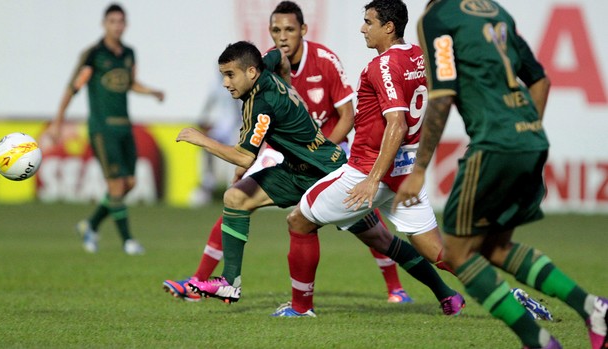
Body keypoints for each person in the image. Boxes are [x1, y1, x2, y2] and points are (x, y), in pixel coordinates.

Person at [163, 0, 412, 304]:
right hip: (289, 153)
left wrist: (318, 148)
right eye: (276, 30)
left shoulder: (324, 61)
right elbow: (275, 68)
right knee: (237, 197)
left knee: (374, 233)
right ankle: (203, 282)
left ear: (303, 30)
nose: (282, 36)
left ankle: (402, 287)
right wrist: (289, 87)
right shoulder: (264, 63)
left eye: (289, 30)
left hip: (329, 154)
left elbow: (348, 117)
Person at [394, 1, 607, 348]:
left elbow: (443, 94)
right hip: (532, 138)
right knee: (496, 248)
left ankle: (537, 340)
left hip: (495, 143)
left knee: (459, 254)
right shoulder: (495, 11)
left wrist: (419, 170)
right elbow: (540, 79)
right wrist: (524, 131)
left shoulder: (438, 18)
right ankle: (593, 308)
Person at [270, 0, 468, 318]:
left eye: (369, 22)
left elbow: (397, 122)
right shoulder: (419, 56)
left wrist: (371, 179)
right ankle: (504, 296)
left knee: (299, 220)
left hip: (368, 171)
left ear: (388, 27)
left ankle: (300, 309)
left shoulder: (382, 66)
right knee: (437, 252)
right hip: (404, 171)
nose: (363, 28)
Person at [49, 3, 164, 255]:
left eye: (121, 21)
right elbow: (73, 87)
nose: (117, 26)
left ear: (126, 25)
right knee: (115, 185)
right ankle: (128, 241)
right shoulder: (93, 55)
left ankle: (89, 225)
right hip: (102, 129)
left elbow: (130, 83)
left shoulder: (128, 54)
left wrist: (152, 91)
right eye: (112, 21)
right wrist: (58, 122)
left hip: (125, 126)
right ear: (104, 24)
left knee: (129, 183)